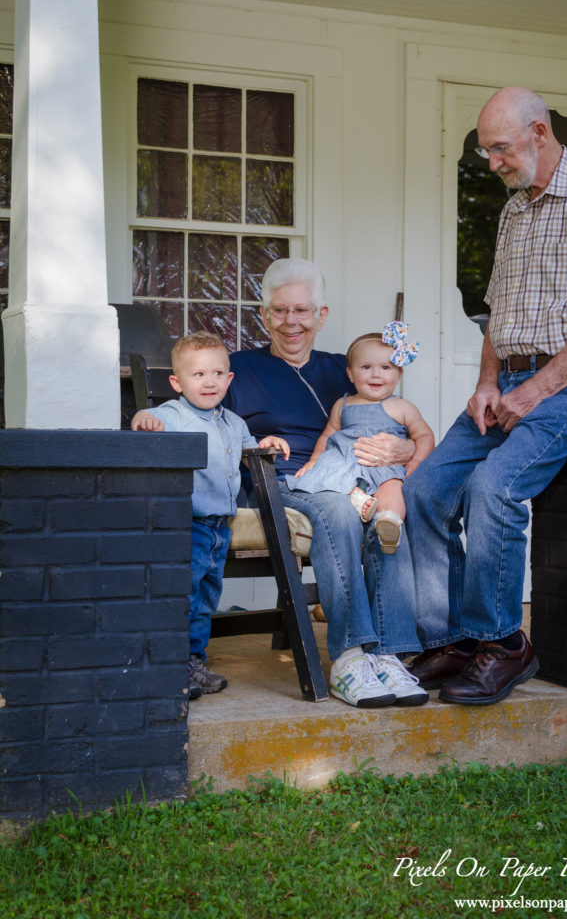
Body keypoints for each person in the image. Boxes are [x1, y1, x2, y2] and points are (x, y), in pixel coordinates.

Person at [404, 86, 567, 706]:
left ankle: (504, 644)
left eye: (499, 148)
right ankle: (451, 639)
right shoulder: (513, 211)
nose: (492, 163)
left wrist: (535, 388)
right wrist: (488, 382)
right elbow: (499, 314)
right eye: (486, 151)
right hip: (506, 381)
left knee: (494, 488)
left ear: (538, 133)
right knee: (425, 488)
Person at [225, 258, 429, 708]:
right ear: (263, 315)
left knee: (390, 513)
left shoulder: (347, 367)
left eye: (301, 310)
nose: (290, 322)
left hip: (359, 476)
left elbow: (405, 423)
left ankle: (391, 652)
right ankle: (351, 658)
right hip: (284, 478)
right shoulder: (238, 369)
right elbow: (208, 424)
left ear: (322, 316)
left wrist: (406, 452)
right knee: (339, 508)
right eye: (279, 310)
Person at [131, 331, 289, 699]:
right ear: (177, 382)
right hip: (188, 524)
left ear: (228, 379)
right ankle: (172, 663)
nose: (209, 382)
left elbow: (249, 449)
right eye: (198, 374)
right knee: (182, 593)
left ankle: (193, 660)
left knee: (206, 596)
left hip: (221, 526)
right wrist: (143, 419)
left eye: (217, 374)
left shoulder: (234, 422)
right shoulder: (172, 414)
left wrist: (264, 444)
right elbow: (144, 416)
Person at [287, 323, 434, 554]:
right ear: (350, 374)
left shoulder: (402, 407)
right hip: (344, 463)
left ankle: (389, 522)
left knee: (392, 489)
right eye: (366, 367)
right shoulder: (343, 404)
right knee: (331, 486)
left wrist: (416, 461)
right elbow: (328, 435)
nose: (376, 374)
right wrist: (314, 461)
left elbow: (424, 435)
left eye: (386, 367)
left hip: (380, 468)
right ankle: (360, 500)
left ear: (399, 373)